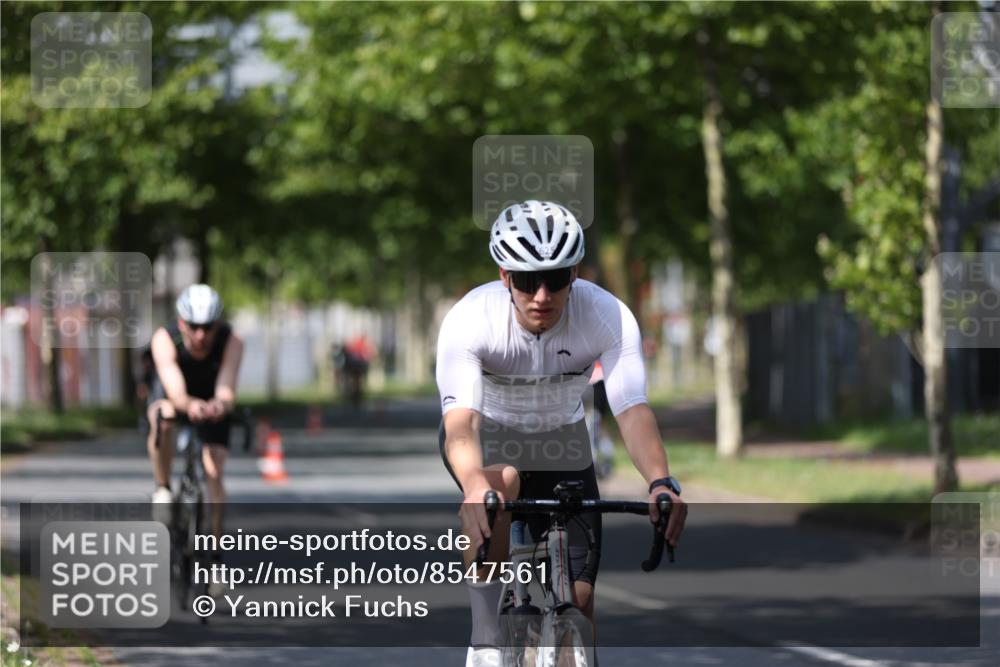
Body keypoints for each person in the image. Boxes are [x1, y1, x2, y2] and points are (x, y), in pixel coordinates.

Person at [435, 200, 687, 665]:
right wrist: (473, 486)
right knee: (500, 485)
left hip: (563, 439)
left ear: (576, 275)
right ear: (505, 276)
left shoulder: (606, 314)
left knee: (581, 596)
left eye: (557, 278)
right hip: (489, 437)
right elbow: (460, 425)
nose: (543, 295)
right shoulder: (471, 319)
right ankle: (486, 638)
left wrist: (659, 479)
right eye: (529, 280)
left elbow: (631, 409)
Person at [145, 284, 244, 559]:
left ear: (218, 324)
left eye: (209, 327)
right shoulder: (164, 339)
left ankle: (215, 557)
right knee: (163, 417)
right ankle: (163, 487)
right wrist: (190, 405)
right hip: (174, 396)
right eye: (194, 326)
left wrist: (219, 405)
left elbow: (226, 386)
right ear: (181, 322)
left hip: (211, 401)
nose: (201, 335)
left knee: (214, 470)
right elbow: (175, 391)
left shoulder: (232, 340)